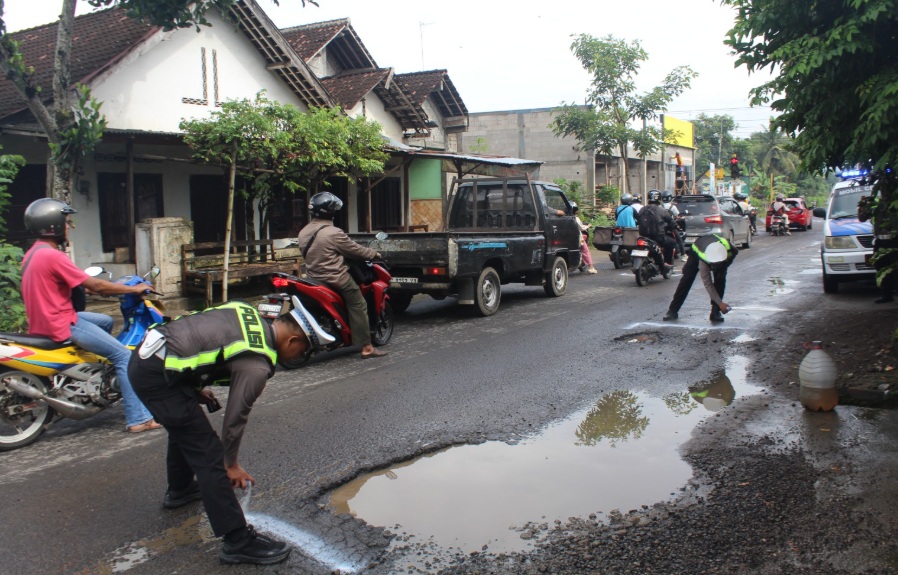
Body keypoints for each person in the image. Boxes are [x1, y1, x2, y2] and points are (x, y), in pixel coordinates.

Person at [128, 298, 335, 565]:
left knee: (187, 425)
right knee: (209, 453)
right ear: (293, 341)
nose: (298, 357)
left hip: (153, 358)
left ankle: (180, 490)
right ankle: (237, 541)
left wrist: (193, 387)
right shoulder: (257, 364)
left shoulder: (247, 311)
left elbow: (196, 330)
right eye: (302, 352)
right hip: (157, 375)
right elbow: (236, 417)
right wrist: (230, 463)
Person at [21, 198, 161, 433]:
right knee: (122, 357)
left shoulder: (33, 253)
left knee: (105, 321)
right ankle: (139, 419)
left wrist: (85, 287)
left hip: (43, 321)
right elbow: (97, 286)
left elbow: (64, 284)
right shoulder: (53, 256)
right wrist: (132, 289)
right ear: (53, 225)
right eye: (65, 222)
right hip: (62, 323)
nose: (68, 227)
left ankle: (90, 375)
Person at [298, 192, 387, 359]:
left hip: (312, 278)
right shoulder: (333, 232)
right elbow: (355, 250)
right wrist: (374, 254)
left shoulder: (303, 232)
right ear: (330, 212)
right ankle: (367, 347)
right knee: (358, 303)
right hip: (336, 278)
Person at [663, 233, 738, 323]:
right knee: (687, 280)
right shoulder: (703, 259)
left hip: (716, 250)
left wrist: (724, 266)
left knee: (720, 279)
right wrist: (720, 303)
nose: (714, 268)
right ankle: (673, 310)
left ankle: (715, 312)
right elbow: (708, 284)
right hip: (696, 252)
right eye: (713, 265)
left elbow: (732, 256)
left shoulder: (730, 250)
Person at [858, 193, 898, 304]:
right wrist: (862, 205)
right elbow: (862, 218)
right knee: (881, 267)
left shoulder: (895, 203)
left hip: (894, 240)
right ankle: (886, 295)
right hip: (880, 241)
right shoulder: (875, 204)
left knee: (895, 269)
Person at [639, 190, 677, 269]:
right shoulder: (661, 210)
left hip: (643, 237)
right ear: (659, 199)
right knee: (672, 243)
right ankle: (667, 263)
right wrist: (674, 226)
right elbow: (671, 222)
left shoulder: (642, 209)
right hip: (658, 237)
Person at [572, 203, 597, 274]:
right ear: (575, 211)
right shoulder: (575, 218)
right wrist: (588, 226)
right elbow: (582, 228)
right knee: (585, 251)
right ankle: (591, 267)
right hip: (577, 238)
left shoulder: (564, 217)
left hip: (567, 238)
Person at [661, 190, 686, 259]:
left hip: (661, 227)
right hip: (670, 227)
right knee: (679, 240)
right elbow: (678, 216)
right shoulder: (672, 207)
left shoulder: (660, 206)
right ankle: (683, 255)